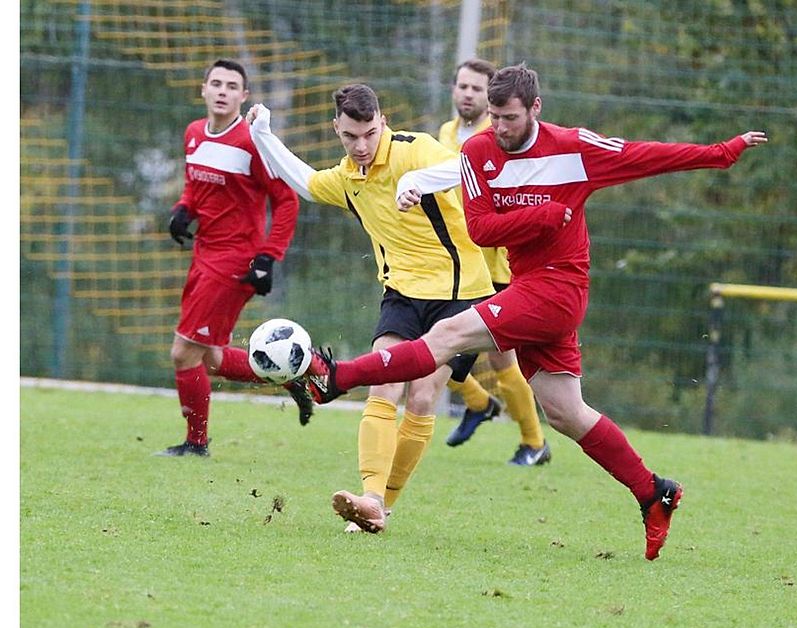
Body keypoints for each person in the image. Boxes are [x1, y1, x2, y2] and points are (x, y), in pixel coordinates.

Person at [300, 63, 768, 560]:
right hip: (527, 285)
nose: (499, 128)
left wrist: (722, 153)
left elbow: (644, 156)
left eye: (510, 118)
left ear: (535, 109)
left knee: (448, 335)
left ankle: (336, 376)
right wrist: (544, 214)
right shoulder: (478, 152)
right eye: (495, 117)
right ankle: (654, 492)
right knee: (566, 411)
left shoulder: (573, 148)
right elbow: (480, 231)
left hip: (560, 288)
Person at [246, 84, 496, 533]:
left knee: (422, 395)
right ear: (337, 130)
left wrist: (419, 183)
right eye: (350, 137)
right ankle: (371, 501)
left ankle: (385, 505)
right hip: (400, 292)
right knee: (383, 388)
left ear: (382, 121)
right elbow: (304, 183)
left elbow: (466, 168)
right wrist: (264, 134)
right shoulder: (348, 179)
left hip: (460, 291)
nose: (361, 146)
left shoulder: (415, 150)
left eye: (369, 133)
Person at [157, 59, 308, 458]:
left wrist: (268, 257)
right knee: (212, 356)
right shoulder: (194, 134)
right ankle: (300, 374)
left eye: (232, 86)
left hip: (235, 260)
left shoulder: (252, 143)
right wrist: (183, 209)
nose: (223, 91)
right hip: (204, 253)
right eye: (216, 83)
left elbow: (287, 202)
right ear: (203, 89)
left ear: (244, 96)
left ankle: (196, 443)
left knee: (183, 352)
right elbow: (194, 185)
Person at [438, 58, 549, 466]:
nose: (468, 94)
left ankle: (531, 439)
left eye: (476, 89)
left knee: (483, 356)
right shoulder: (445, 134)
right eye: (461, 86)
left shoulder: (501, 137)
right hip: (453, 264)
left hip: (495, 267)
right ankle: (491, 411)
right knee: (441, 347)